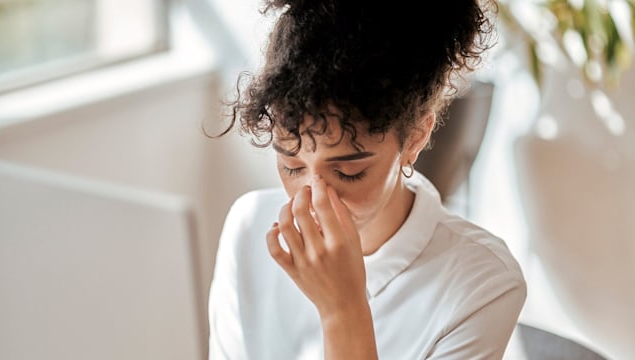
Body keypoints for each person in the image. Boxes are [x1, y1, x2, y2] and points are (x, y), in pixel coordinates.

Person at [207, 0, 527, 359]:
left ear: (416, 138)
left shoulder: (482, 285)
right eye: (291, 165)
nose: (313, 200)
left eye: (348, 172)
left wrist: (342, 311)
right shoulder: (249, 227)